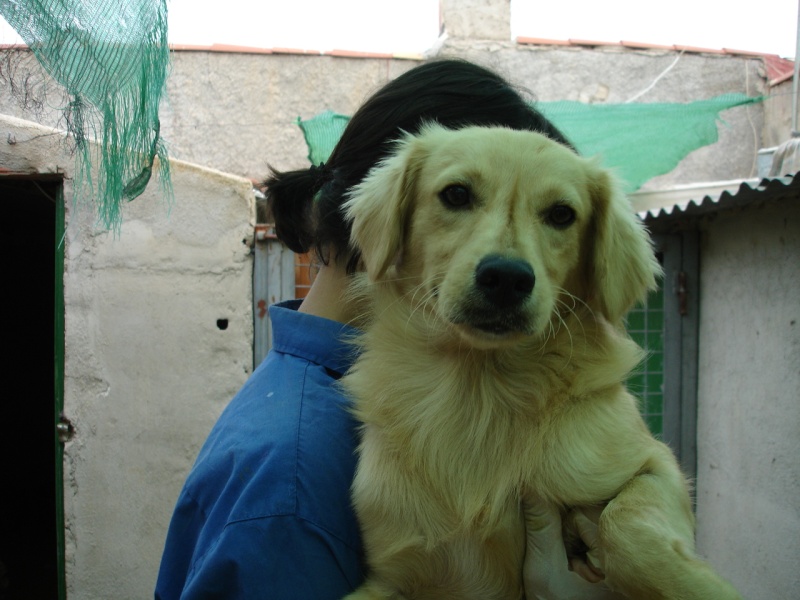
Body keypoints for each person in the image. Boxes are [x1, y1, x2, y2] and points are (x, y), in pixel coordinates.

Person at [155, 58, 623, 600]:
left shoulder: (343, 404)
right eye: (459, 197)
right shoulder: (297, 469)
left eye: (552, 217)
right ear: (390, 208)